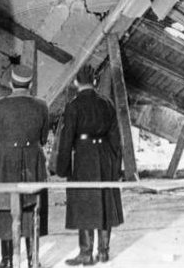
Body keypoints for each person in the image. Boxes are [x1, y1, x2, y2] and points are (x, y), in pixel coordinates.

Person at [56, 65, 124, 265]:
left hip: (84, 157)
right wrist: (115, 165)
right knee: (105, 200)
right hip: (105, 156)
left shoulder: (73, 106)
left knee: (85, 203)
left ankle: (86, 253)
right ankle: (103, 252)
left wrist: (63, 168)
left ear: (76, 82)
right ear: (95, 81)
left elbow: (66, 139)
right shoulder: (107, 104)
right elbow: (115, 139)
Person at [0, 63, 50, 268]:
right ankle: (33, 259)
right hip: (33, 160)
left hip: (5, 160)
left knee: (5, 206)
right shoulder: (41, 105)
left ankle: (7, 260)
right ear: (30, 85)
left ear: (11, 83)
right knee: (32, 207)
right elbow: (44, 137)